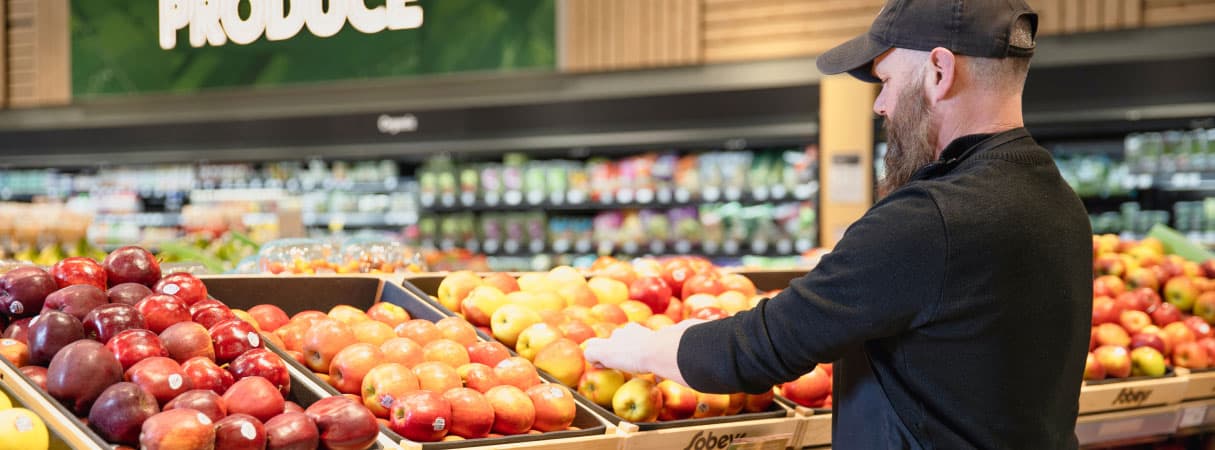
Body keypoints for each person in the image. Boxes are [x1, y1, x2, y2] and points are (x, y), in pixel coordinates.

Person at [583, 0, 1093, 448]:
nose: (880, 104)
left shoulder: (929, 219)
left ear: (939, 71)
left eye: (888, 80)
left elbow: (765, 347)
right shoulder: (1059, 203)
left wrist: (637, 348)